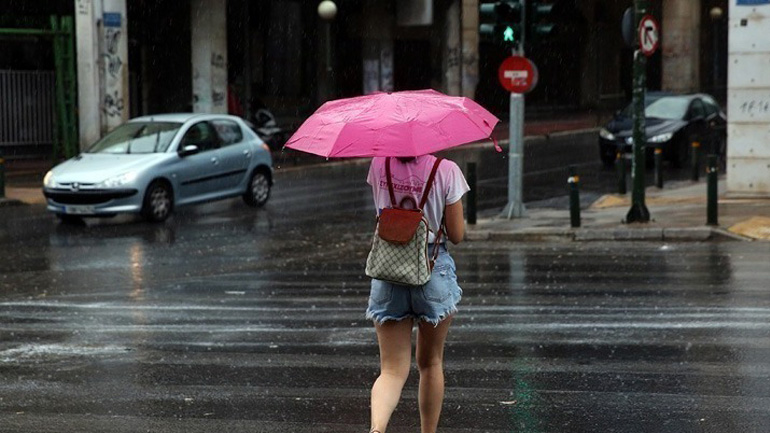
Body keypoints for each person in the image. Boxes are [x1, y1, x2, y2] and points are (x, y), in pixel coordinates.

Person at [365, 154, 469, 433]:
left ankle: (377, 429)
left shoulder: (379, 165)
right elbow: (457, 234)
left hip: (388, 271)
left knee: (391, 370)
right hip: (432, 270)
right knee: (430, 362)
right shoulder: (446, 170)